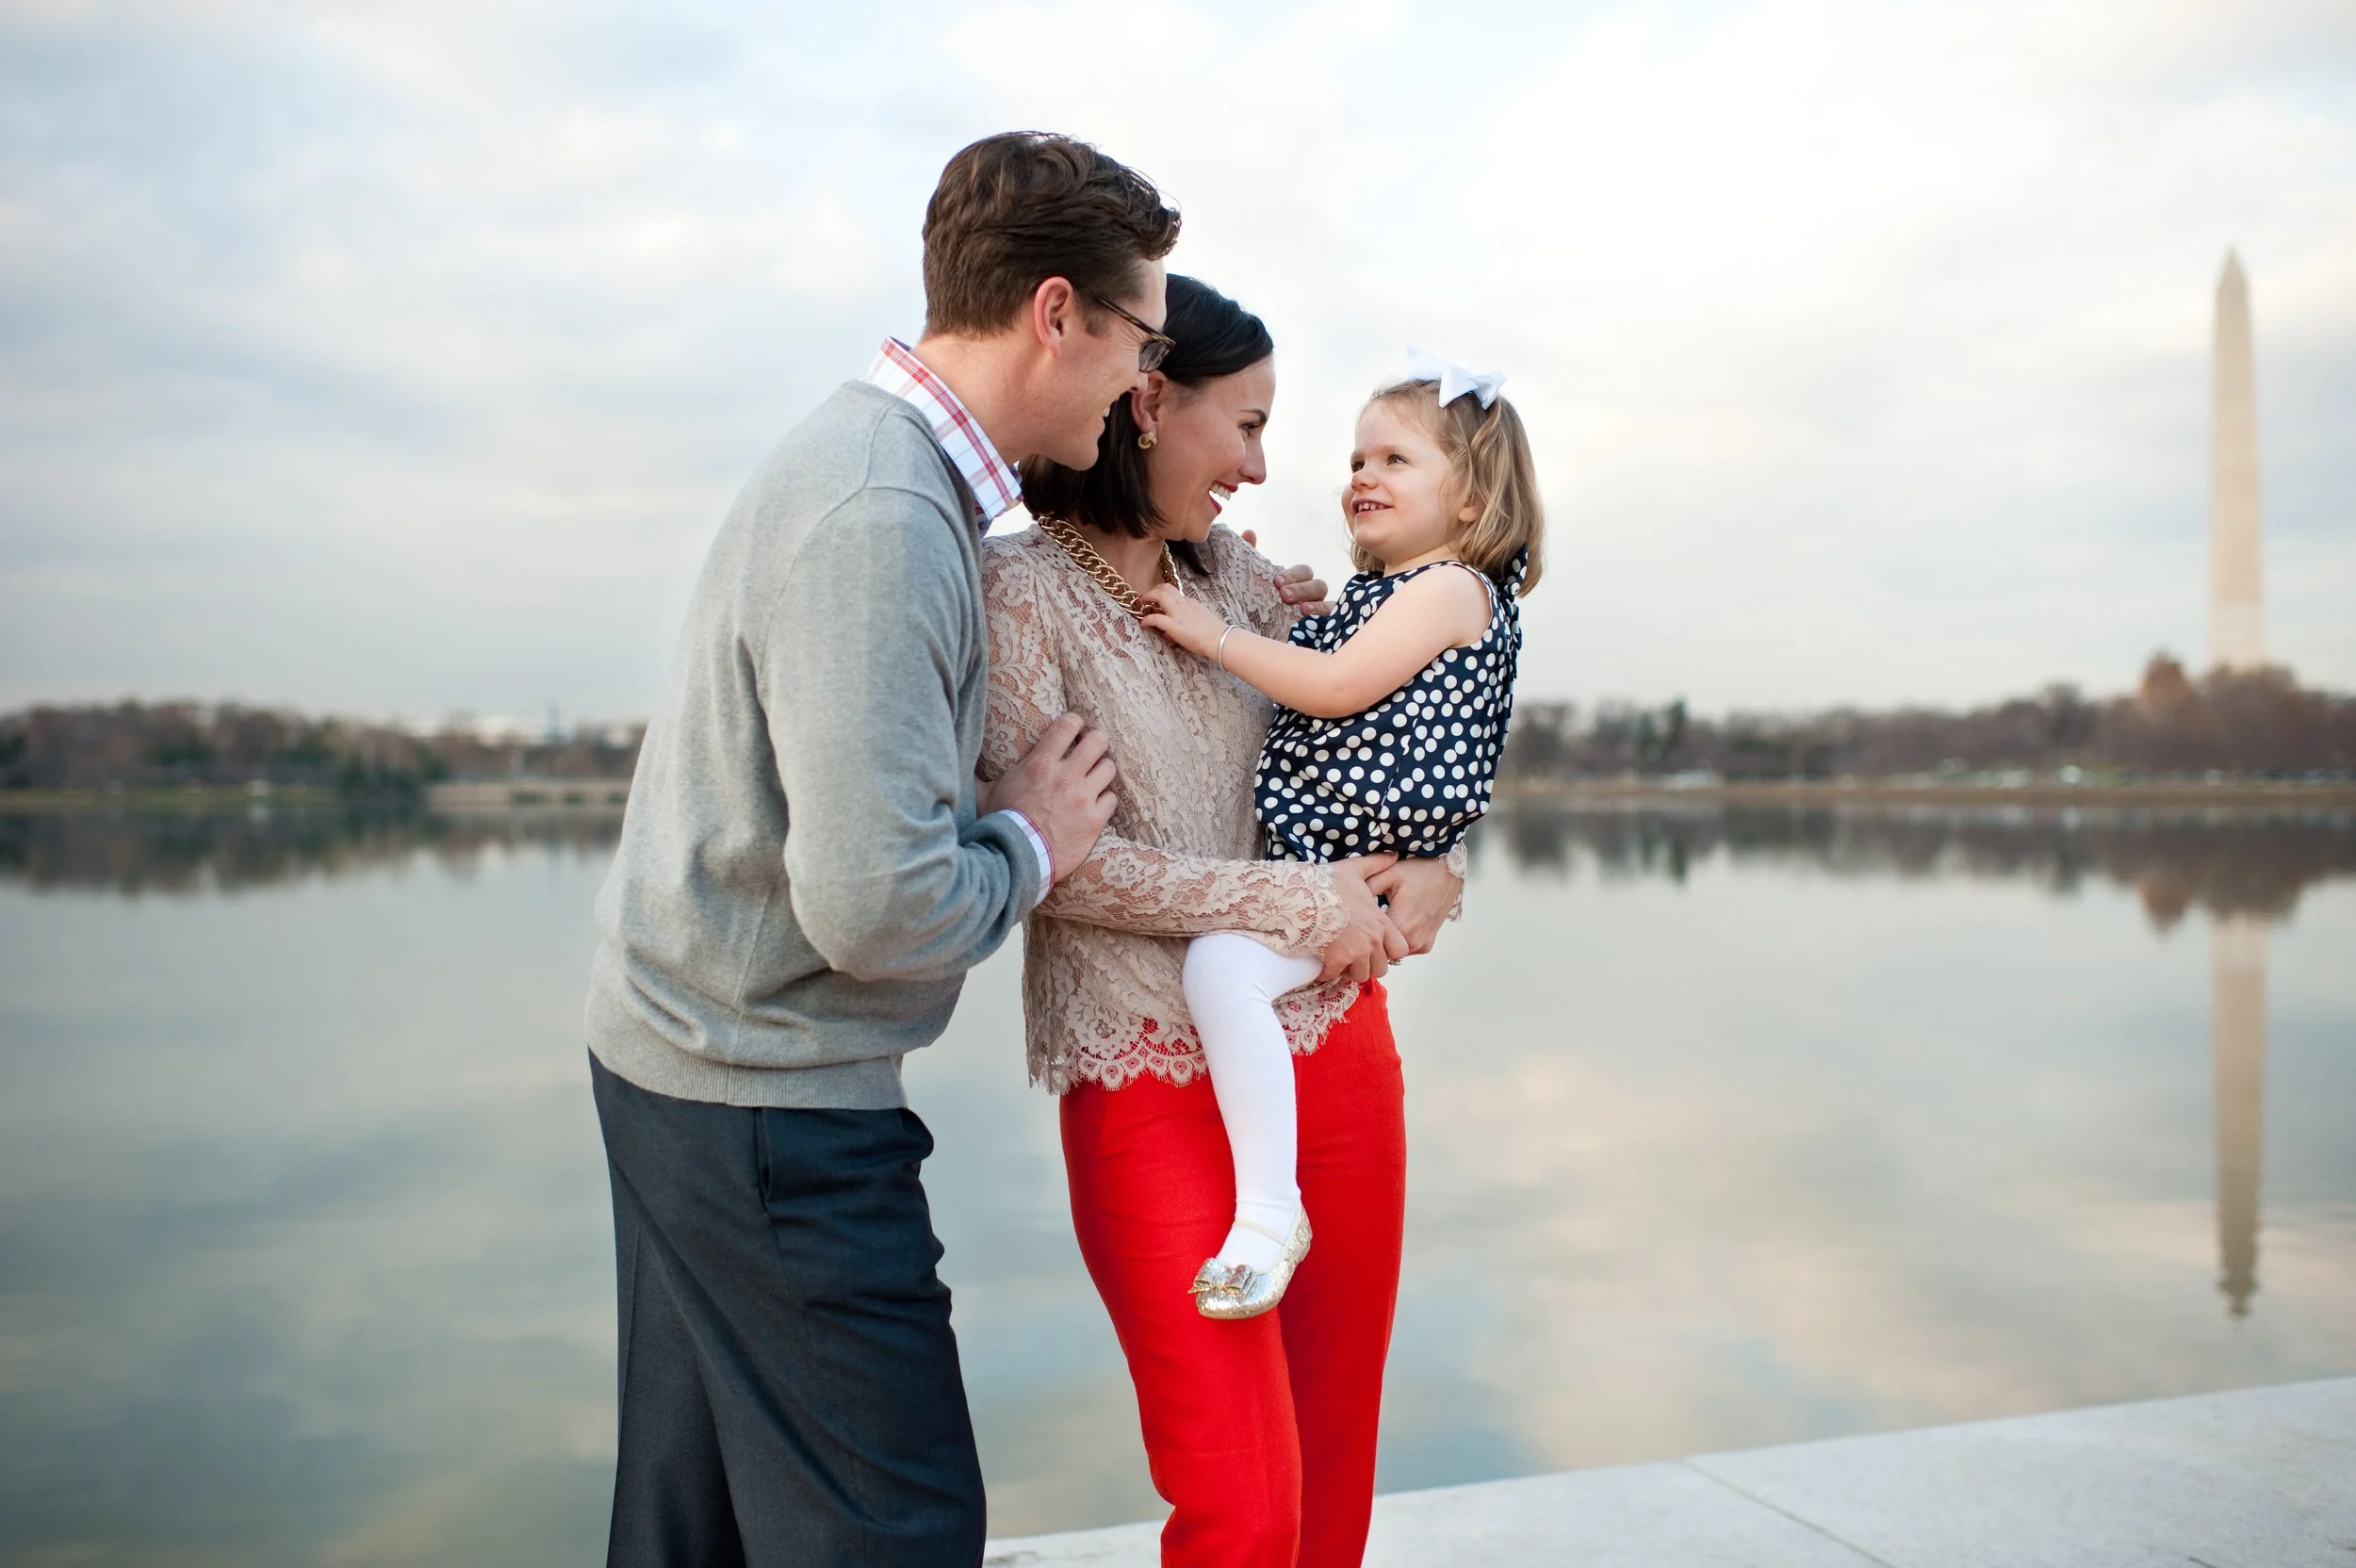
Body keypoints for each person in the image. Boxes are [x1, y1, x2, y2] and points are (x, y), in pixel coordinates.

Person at [581, 133, 1179, 1568]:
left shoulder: (886, 472)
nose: (1142, 382)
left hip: (690, 1058)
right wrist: (1031, 840)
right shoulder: (884, 517)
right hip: (764, 1100)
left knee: (699, 1526)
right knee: (893, 1529)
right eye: (1139, 341)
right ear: (1057, 314)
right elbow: (875, 909)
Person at [982, 276, 1467, 1568]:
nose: (1261, 467)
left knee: (1331, 1491)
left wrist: (1437, 858)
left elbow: (1397, 717)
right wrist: (1298, 898)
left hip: (1334, 1045)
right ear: (1148, 402)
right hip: (1142, 1071)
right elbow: (1065, 868)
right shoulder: (1015, 597)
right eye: (1243, 425)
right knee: (1245, 1511)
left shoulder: (1243, 579)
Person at [1139, 357, 1545, 1318]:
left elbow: (1328, 690)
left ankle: (1270, 1210)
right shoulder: (1384, 597)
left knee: (1220, 972)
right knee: (1230, 975)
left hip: (1344, 870)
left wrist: (1208, 631)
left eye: (1395, 458)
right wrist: (1252, 597)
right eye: (1357, 456)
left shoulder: (1450, 589)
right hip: (1329, 870)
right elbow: (1302, 669)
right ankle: (1270, 1202)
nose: (1360, 474)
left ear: (1474, 494)